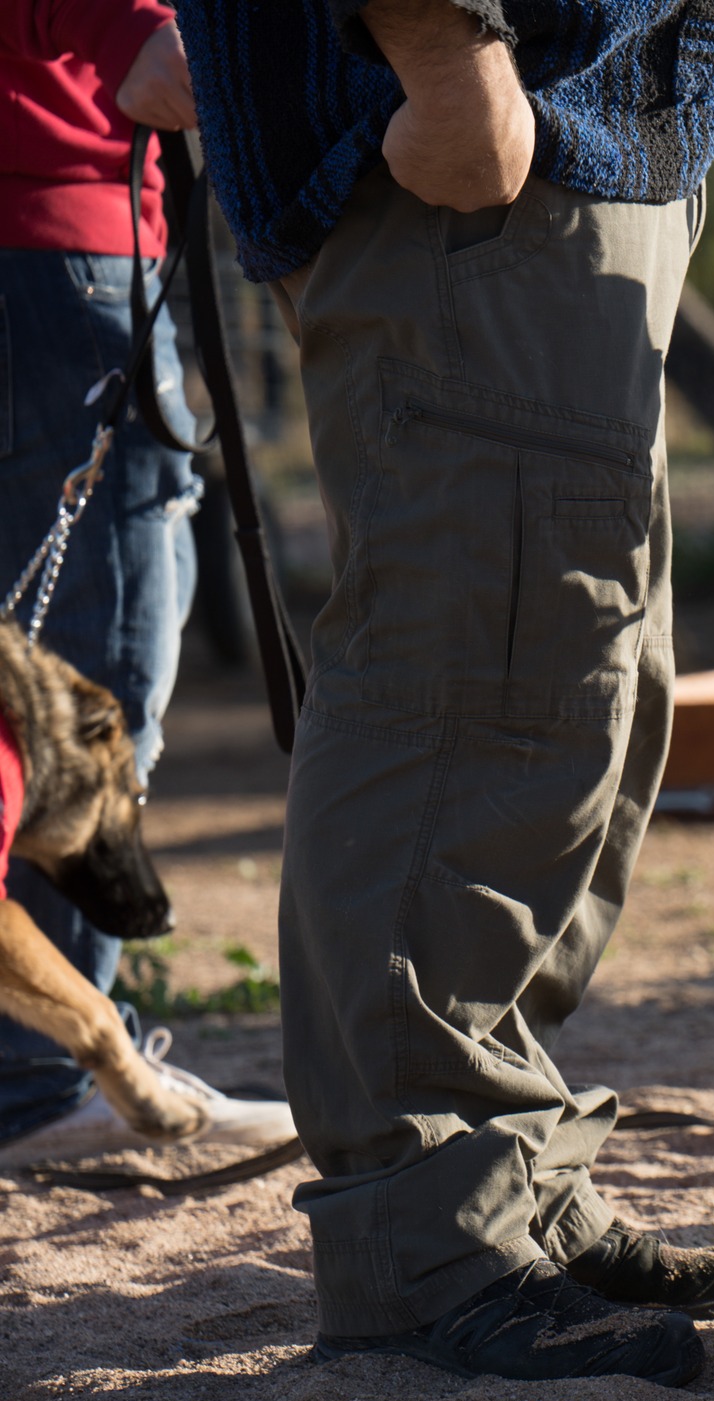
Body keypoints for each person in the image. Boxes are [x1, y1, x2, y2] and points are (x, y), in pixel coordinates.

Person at [172, 0, 714, 1386]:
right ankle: (426, 1227)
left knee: (582, 693)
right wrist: (444, 49)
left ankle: (507, 1177)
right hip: (470, 128)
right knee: (474, 680)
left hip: (584, 131)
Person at [0, 3, 297, 1165]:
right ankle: (41, 1078)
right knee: (90, 684)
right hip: (56, 227)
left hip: (68, 220)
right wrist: (124, 26)